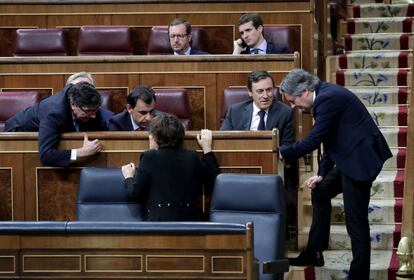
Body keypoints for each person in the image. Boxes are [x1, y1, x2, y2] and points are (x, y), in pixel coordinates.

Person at [279, 69, 392, 280]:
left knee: (355, 221)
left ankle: (359, 275)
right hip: (348, 155)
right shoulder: (322, 96)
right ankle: (314, 252)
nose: (293, 106)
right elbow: (331, 140)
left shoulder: (326, 99)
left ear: (304, 91)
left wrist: (282, 153)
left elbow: (314, 140)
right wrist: (321, 173)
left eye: (293, 101)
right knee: (320, 191)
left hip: (360, 160)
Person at [121, 114, 220, 221]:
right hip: (191, 224)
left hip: (159, 224)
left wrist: (128, 177)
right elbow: (213, 183)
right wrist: (207, 150)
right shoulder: (192, 156)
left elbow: (135, 193)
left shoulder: (149, 157)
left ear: (155, 137)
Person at [4, 82, 114, 167]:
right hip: (16, 140)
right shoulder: (54, 113)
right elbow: (46, 156)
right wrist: (81, 152)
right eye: (88, 111)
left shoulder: (79, 93)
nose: (94, 116)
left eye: (95, 110)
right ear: (72, 104)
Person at [220, 70, 294, 146]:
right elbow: (223, 141)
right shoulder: (235, 112)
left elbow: (287, 146)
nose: (265, 96)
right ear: (250, 92)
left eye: (269, 90)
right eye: (260, 91)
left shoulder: (285, 112)